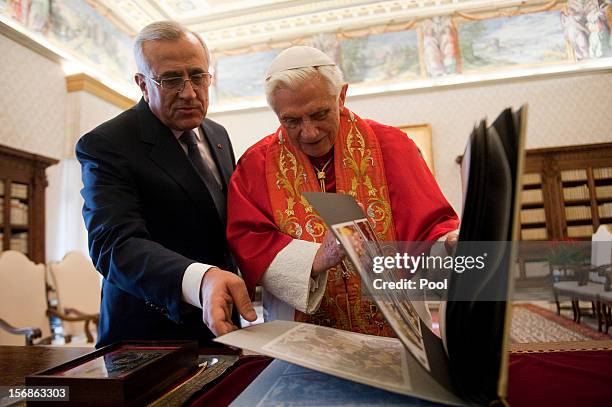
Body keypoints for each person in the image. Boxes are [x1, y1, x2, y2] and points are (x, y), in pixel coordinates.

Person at [227, 46, 458, 337]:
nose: (309, 133)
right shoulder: (255, 165)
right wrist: (314, 259)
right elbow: (250, 245)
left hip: (393, 334)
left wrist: (447, 242)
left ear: (342, 95)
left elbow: (431, 228)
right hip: (302, 336)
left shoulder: (392, 147)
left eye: (320, 113)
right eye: (292, 121)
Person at [77, 21, 256, 347]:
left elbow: (222, 225)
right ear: (142, 84)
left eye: (198, 76)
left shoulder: (217, 135)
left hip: (222, 326)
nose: (189, 93)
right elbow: (115, 247)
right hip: (148, 335)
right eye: (171, 79)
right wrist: (199, 280)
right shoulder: (107, 143)